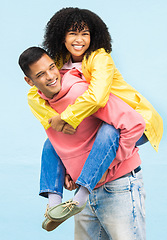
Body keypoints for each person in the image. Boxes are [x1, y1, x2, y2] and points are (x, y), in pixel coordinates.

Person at [19, 47, 146, 238]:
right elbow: (70, 143)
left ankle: (75, 200)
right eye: (40, 74)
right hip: (83, 191)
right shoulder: (41, 103)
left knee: (109, 129)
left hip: (117, 185)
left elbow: (135, 124)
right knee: (50, 143)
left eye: (52, 67)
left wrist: (106, 168)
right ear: (30, 81)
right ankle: (54, 205)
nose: (50, 76)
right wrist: (70, 170)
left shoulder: (81, 91)